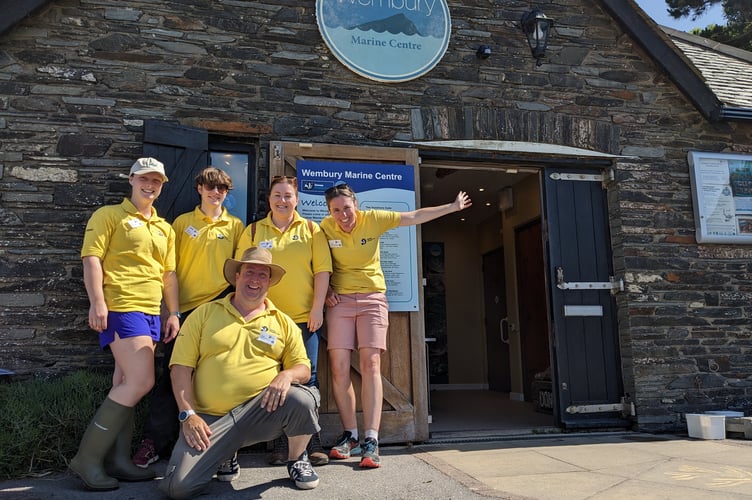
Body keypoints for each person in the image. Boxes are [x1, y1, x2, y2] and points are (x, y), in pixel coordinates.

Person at [322, 183, 471, 468]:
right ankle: (350, 435)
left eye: (347, 208)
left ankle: (371, 439)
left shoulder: (374, 219)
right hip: (339, 302)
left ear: (357, 205)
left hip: (372, 299)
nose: (343, 215)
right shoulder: (325, 228)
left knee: (371, 365)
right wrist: (326, 289)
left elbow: (413, 217)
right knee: (339, 367)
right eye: (336, 210)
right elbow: (312, 260)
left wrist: (451, 207)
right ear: (330, 211)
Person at [159, 246, 322, 498]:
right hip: (210, 421)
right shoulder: (204, 313)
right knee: (177, 488)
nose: (254, 280)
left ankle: (296, 458)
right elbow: (180, 368)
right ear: (237, 276)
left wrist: (286, 375)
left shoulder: (282, 321)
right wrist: (188, 415)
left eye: (262, 275)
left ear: (269, 282)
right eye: (249, 272)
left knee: (303, 398)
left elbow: (303, 367)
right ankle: (226, 454)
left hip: (260, 413)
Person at [71, 157, 180, 491]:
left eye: (157, 181)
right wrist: (97, 302)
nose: (150, 185)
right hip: (121, 307)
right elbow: (92, 259)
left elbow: (168, 274)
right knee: (141, 381)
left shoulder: (165, 228)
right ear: (131, 179)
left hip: (150, 312)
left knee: (123, 382)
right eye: (144, 179)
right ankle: (86, 460)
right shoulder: (108, 215)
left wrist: (171, 312)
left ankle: (117, 460)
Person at [132, 167, 244, 482]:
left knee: (217, 379)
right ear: (199, 188)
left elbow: (239, 276)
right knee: (171, 377)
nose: (216, 192)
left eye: (222, 188)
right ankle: (154, 443)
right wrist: (171, 312)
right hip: (182, 312)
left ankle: (221, 449)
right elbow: (170, 271)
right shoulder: (182, 223)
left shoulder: (235, 226)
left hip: (218, 310)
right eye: (210, 186)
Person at [234, 175, 331, 466]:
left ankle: (309, 442)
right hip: (264, 320)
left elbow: (322, 272)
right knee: (270, 379)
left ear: (297, 199)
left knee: (307, 379)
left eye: (288, 195)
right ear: (269, 199)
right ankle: (277, 443)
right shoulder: (252, 232)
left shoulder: (312, 230)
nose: (282, 200)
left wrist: (318, 309)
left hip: (304, 319)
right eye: (277, 195)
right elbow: (243, 273)